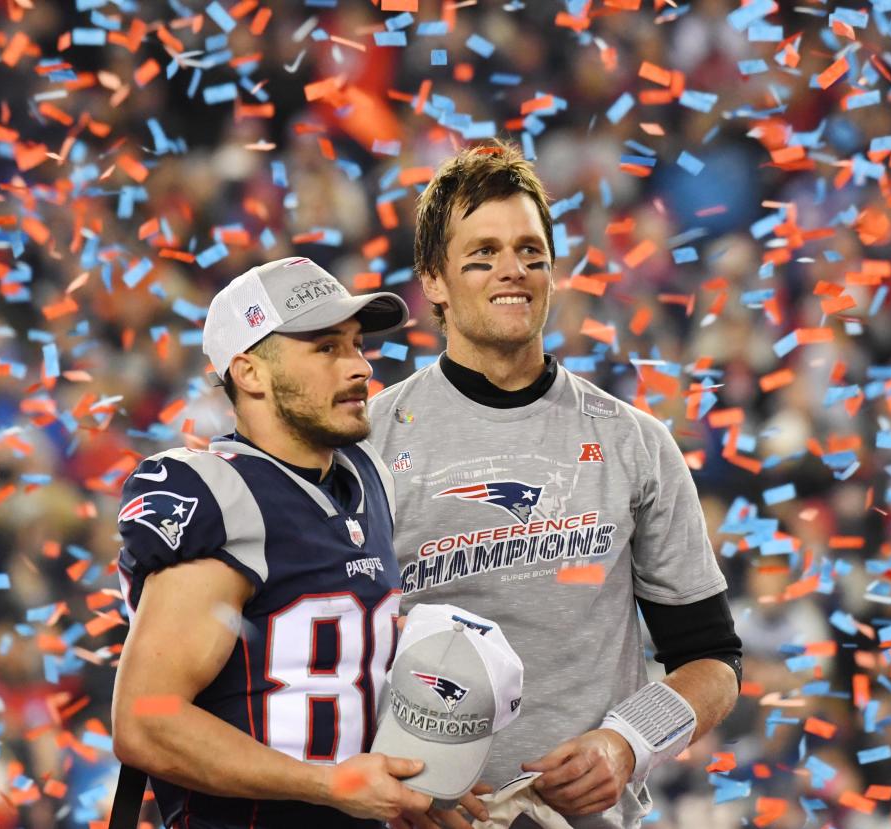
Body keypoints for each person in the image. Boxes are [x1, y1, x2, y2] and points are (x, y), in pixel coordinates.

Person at [368, 141, 743, 829]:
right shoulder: (367, 440)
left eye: (530, 252)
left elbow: (712, 658)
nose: (511, 270)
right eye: (481, 253)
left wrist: (625, 743)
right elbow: (314, 653)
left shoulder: (634, 440)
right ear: (433, 281)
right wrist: (384, 777)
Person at [111, 256, 444, 828]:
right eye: (326, 348)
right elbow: (146, 721)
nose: (360, 366)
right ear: (250, 372)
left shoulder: (369, 477)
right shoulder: (220, 491)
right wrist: (327, 784)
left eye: (357, 344)